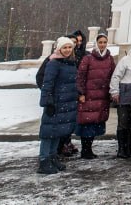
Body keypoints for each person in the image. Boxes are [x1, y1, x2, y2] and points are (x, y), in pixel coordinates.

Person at [36, 37, 80, 174]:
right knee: (48, 132)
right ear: (59, 49)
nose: (67, 50)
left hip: (65, 102)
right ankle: (44, 160)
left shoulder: (70, 63)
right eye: (64, 47)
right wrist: (47, 101)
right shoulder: (53, 63)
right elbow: (47, 84)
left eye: (69, 47)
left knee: (57, 131)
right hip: (55, 102)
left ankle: (52, 157)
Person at [74, 33, 115, 160]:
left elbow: (113, 76)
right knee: (87, 122)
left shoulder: (110, 59)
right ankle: (85, 150)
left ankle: (89, 148)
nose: (102, 44)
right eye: (100, 42)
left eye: (104, 42)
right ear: (96, 43)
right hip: (89, 95)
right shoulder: (88, 58)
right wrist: (81, 93)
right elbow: (81, 76)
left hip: (102, 96)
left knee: (96, 122)